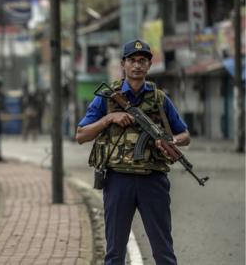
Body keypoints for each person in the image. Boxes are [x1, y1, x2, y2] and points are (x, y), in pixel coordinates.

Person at [76, 39, 190, 265]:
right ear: (123, 64)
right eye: (132, 61)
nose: (137, 65)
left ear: (148, 66)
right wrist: (109, 118)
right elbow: (81, 135)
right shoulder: (107, 97)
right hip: (118, 179)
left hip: (153, 180)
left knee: (164, 252)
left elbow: (184, 135)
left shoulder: (159, 98)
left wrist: (171, 142)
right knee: (115, 253)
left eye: (142, 61)